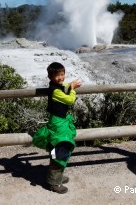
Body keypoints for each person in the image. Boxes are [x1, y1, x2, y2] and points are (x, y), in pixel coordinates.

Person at [45, 62, 82, 194]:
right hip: (58, 124)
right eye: (57, 75)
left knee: (59, 149)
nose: (61, 77)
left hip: (59, 122)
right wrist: (73, 89)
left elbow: (63, 86)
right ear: (50, 77)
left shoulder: (57, 87)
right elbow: (70, 100)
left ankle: (56, 177)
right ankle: (54, 183)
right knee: (60, 149)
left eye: (62, 74)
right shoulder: (55, 91)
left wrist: (70, 85)